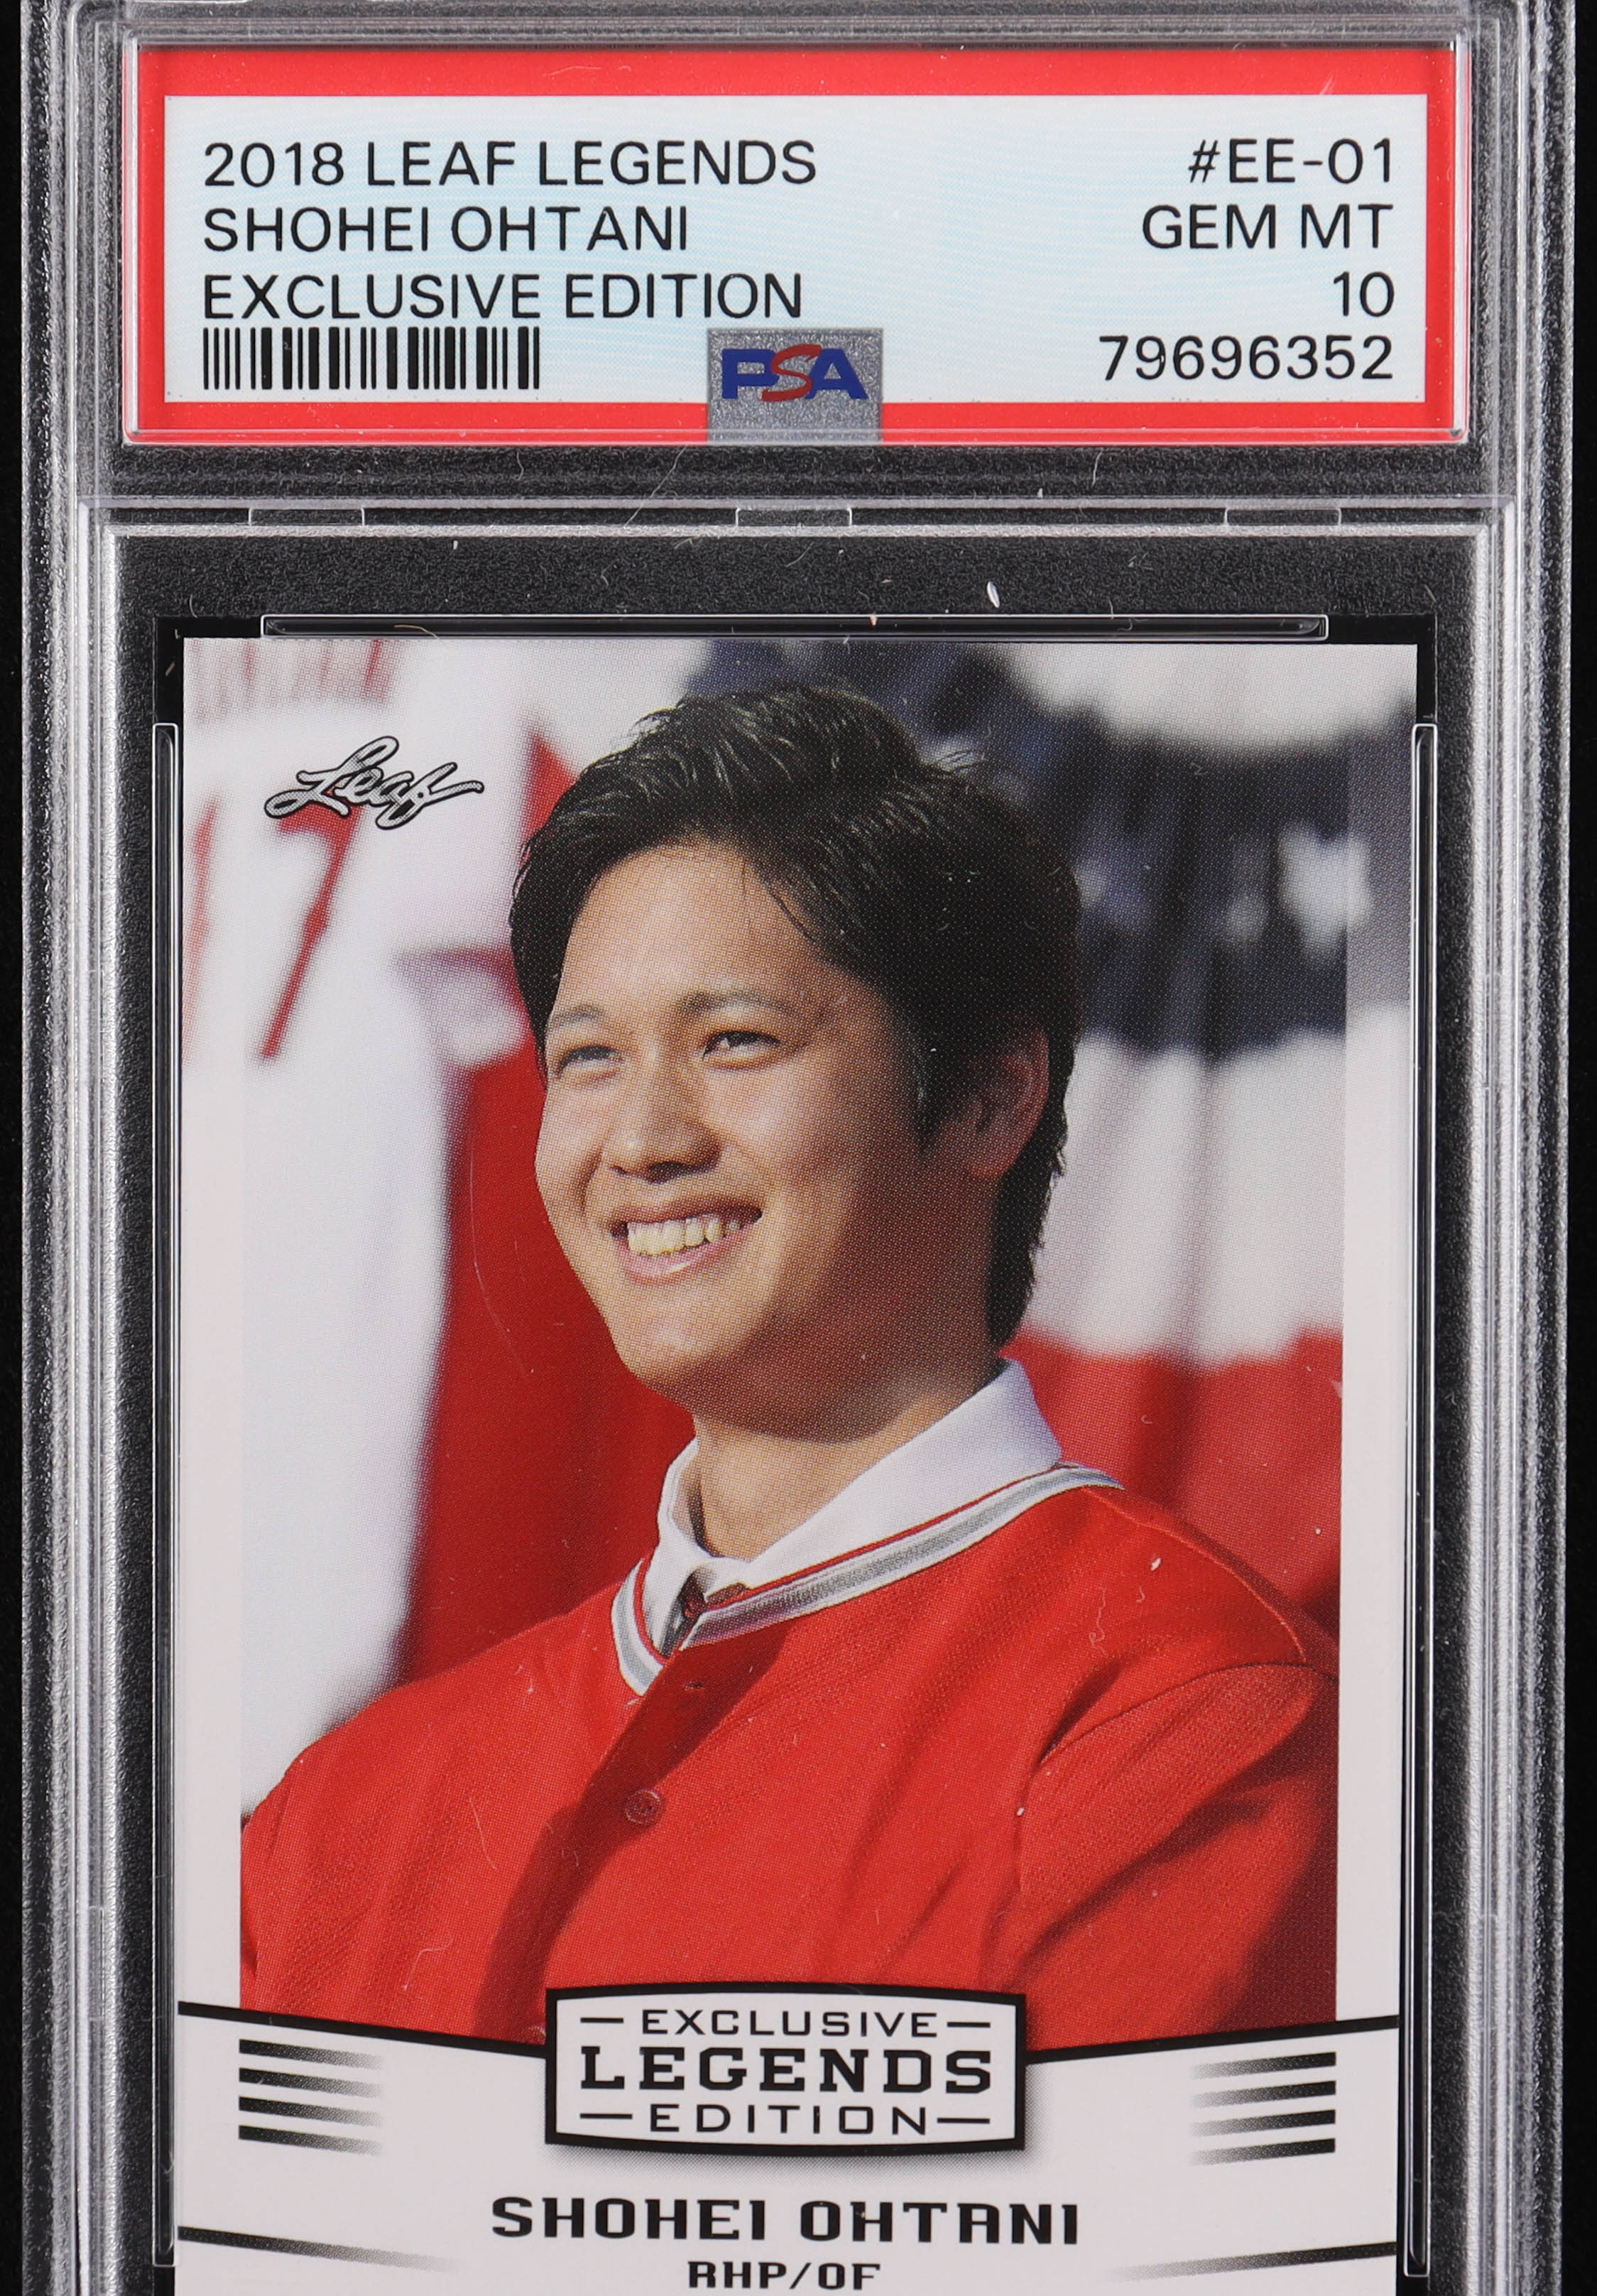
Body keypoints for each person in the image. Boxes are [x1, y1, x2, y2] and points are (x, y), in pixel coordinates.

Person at [241, 682, 1336, 2052]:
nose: (641, 1139)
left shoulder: (1190, 1720)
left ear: (990, 1095)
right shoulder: (342, 1811)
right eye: (588, 1058)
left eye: (735, 1042)